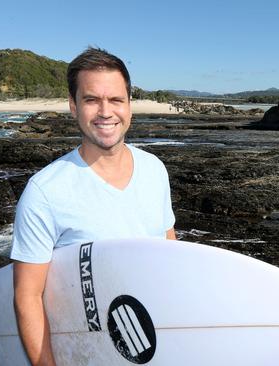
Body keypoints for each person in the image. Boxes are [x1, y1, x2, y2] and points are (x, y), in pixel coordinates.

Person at [10, 47, 176, 365]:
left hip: (155, 340)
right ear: (74, 106)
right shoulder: (45, 191)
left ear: (129, 105)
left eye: (115, 100)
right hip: (90, 350)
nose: (105, 112)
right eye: (91, 100)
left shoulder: (155, 169)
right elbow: (27, 296)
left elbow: (170, 247)